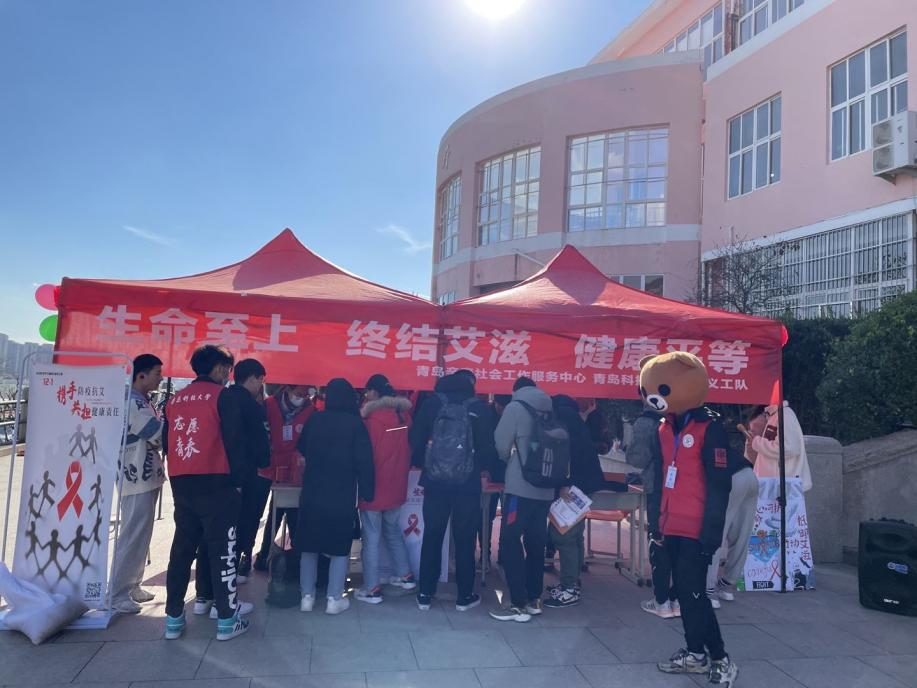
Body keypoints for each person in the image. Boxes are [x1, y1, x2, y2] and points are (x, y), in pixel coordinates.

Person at [640, 352, 738, 686]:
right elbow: (659, 477)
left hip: (697, 527)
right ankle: (695, 653)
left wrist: (712, 533)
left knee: (695, 594)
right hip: (670, 524)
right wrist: (656, 522)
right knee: (683, 593)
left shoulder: (711, 428)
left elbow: (720, 484)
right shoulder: (663, 428)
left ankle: (720, 658)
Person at [163, 345, 250, 641]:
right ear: (220, 368)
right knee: (222, 550)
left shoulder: (174, 400)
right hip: (218, 482)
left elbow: (167, 443)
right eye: (227, 369)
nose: (228, 375)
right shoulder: (222, 396)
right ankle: (227, 619)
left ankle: (173, 619)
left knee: (182, 550)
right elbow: (235, 442)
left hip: (182, 482)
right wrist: (238, 482)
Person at [409, 371, 497, 612]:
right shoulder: (479, 408)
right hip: (467, 484)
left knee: (432, 536)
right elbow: (488, 447)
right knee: (465, 539)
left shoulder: (431, 405)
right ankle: (464, 596)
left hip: (435, 482)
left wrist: (425, 463)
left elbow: (415, 438)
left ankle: (425, 594)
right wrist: (482, 470)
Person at [294, 378, 374, 615]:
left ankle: (306, 597)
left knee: (309, 545)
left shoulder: (315, 419)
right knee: (339, 546)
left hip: (312, 491)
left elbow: (302, 447)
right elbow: (365, 462)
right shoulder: (355, 424)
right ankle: (334, 598)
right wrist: (368, 491)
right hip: (341, 494)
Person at [489, 376, 555, 623]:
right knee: (536, 542)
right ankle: (534, 599)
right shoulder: (550, 407)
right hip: (546, 487)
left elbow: (501, 443)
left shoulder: (514, 407)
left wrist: (512, 463)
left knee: (510, 540)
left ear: (515, 390)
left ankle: (517, 604)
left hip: (520, 488)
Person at [109, 354, 165, 614]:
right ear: (141, 375)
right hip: (135, 476)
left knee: (142, 532)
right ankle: (117, 592)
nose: (160, 378)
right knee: (133, 532)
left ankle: (133, 585)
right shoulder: (132, 402)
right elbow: (156, 433)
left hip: (145, 474)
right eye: (157, 373)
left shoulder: (142, 400)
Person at [354, 374, 415, 604]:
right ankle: (405, 575)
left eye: (367, 391)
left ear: (374, 392)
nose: (365, 395)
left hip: (374, 486)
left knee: (371, 537)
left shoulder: (371, 420)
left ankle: (372, 588)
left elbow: (365, 455)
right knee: (392, 530)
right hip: (397, 485)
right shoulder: (405, 416)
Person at [543, 394, 605, 608]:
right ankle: (572, 582)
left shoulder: (563, 420)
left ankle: (569, 588)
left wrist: (564, 483)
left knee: (564, 535)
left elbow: (565, 456)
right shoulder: (575, 420)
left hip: (573, 487)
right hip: (585, 484)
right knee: (575, 535)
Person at [251, 385, 315, 572]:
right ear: (288, 390)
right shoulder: (269, 405)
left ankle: (291, 561)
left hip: (294, 472)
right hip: (266, 468)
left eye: (305, 395)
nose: (301, 397)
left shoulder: (311, 411)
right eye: (298, 393)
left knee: (292, 514)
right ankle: (253, 556)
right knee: (257, 515)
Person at [219, 359, 271, 586]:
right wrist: (264, 460)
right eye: (260, 380)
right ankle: (238, 568)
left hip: (218, 474)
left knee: (220, 527)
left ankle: (210, 585)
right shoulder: (253, 407)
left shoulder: (220, 398)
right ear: (252, 378)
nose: (261, 385)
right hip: (247, 475)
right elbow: (262, 446)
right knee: (246, 521)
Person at [628, 402, 679, 619]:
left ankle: (662, 601)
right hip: (687, 490)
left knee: (658, 541)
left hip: (658, 487)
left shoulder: (646, 422)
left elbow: (637, 458)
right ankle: (678, 598)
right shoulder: (687, 418)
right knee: (680, 542)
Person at [748, 401, 812, 491]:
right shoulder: (775, 415)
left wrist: (757, 442)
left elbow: (789, 448)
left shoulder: (785, 415)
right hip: (775, 486)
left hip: (783, 487)